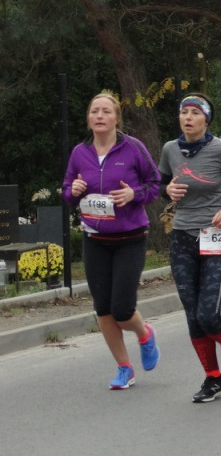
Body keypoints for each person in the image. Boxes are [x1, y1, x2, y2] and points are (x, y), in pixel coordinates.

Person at [160, 93, 221, 403]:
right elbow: (161, 185)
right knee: (193, 316)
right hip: (183, 237)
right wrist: (167, 190)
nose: (187, 117)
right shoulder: (170, 150)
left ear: (206, 119)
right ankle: (212, 379)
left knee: (208, 314)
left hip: (215, 235)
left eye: (194, 112)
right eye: (183, 112)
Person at [62, 92, 162, 390]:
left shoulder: (133, 148)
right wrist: (74, 190)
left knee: (121, 308)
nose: (100, 116)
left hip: (130, 237)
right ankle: (124, 368)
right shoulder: (80, 152)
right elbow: (67, 191)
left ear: (117, 118)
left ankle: (144, 333)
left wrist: (134, 194)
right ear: (89, 118)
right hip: (95, 238)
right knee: (103, 309)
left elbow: (155, 184)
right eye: (95, 111)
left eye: (106, 111)